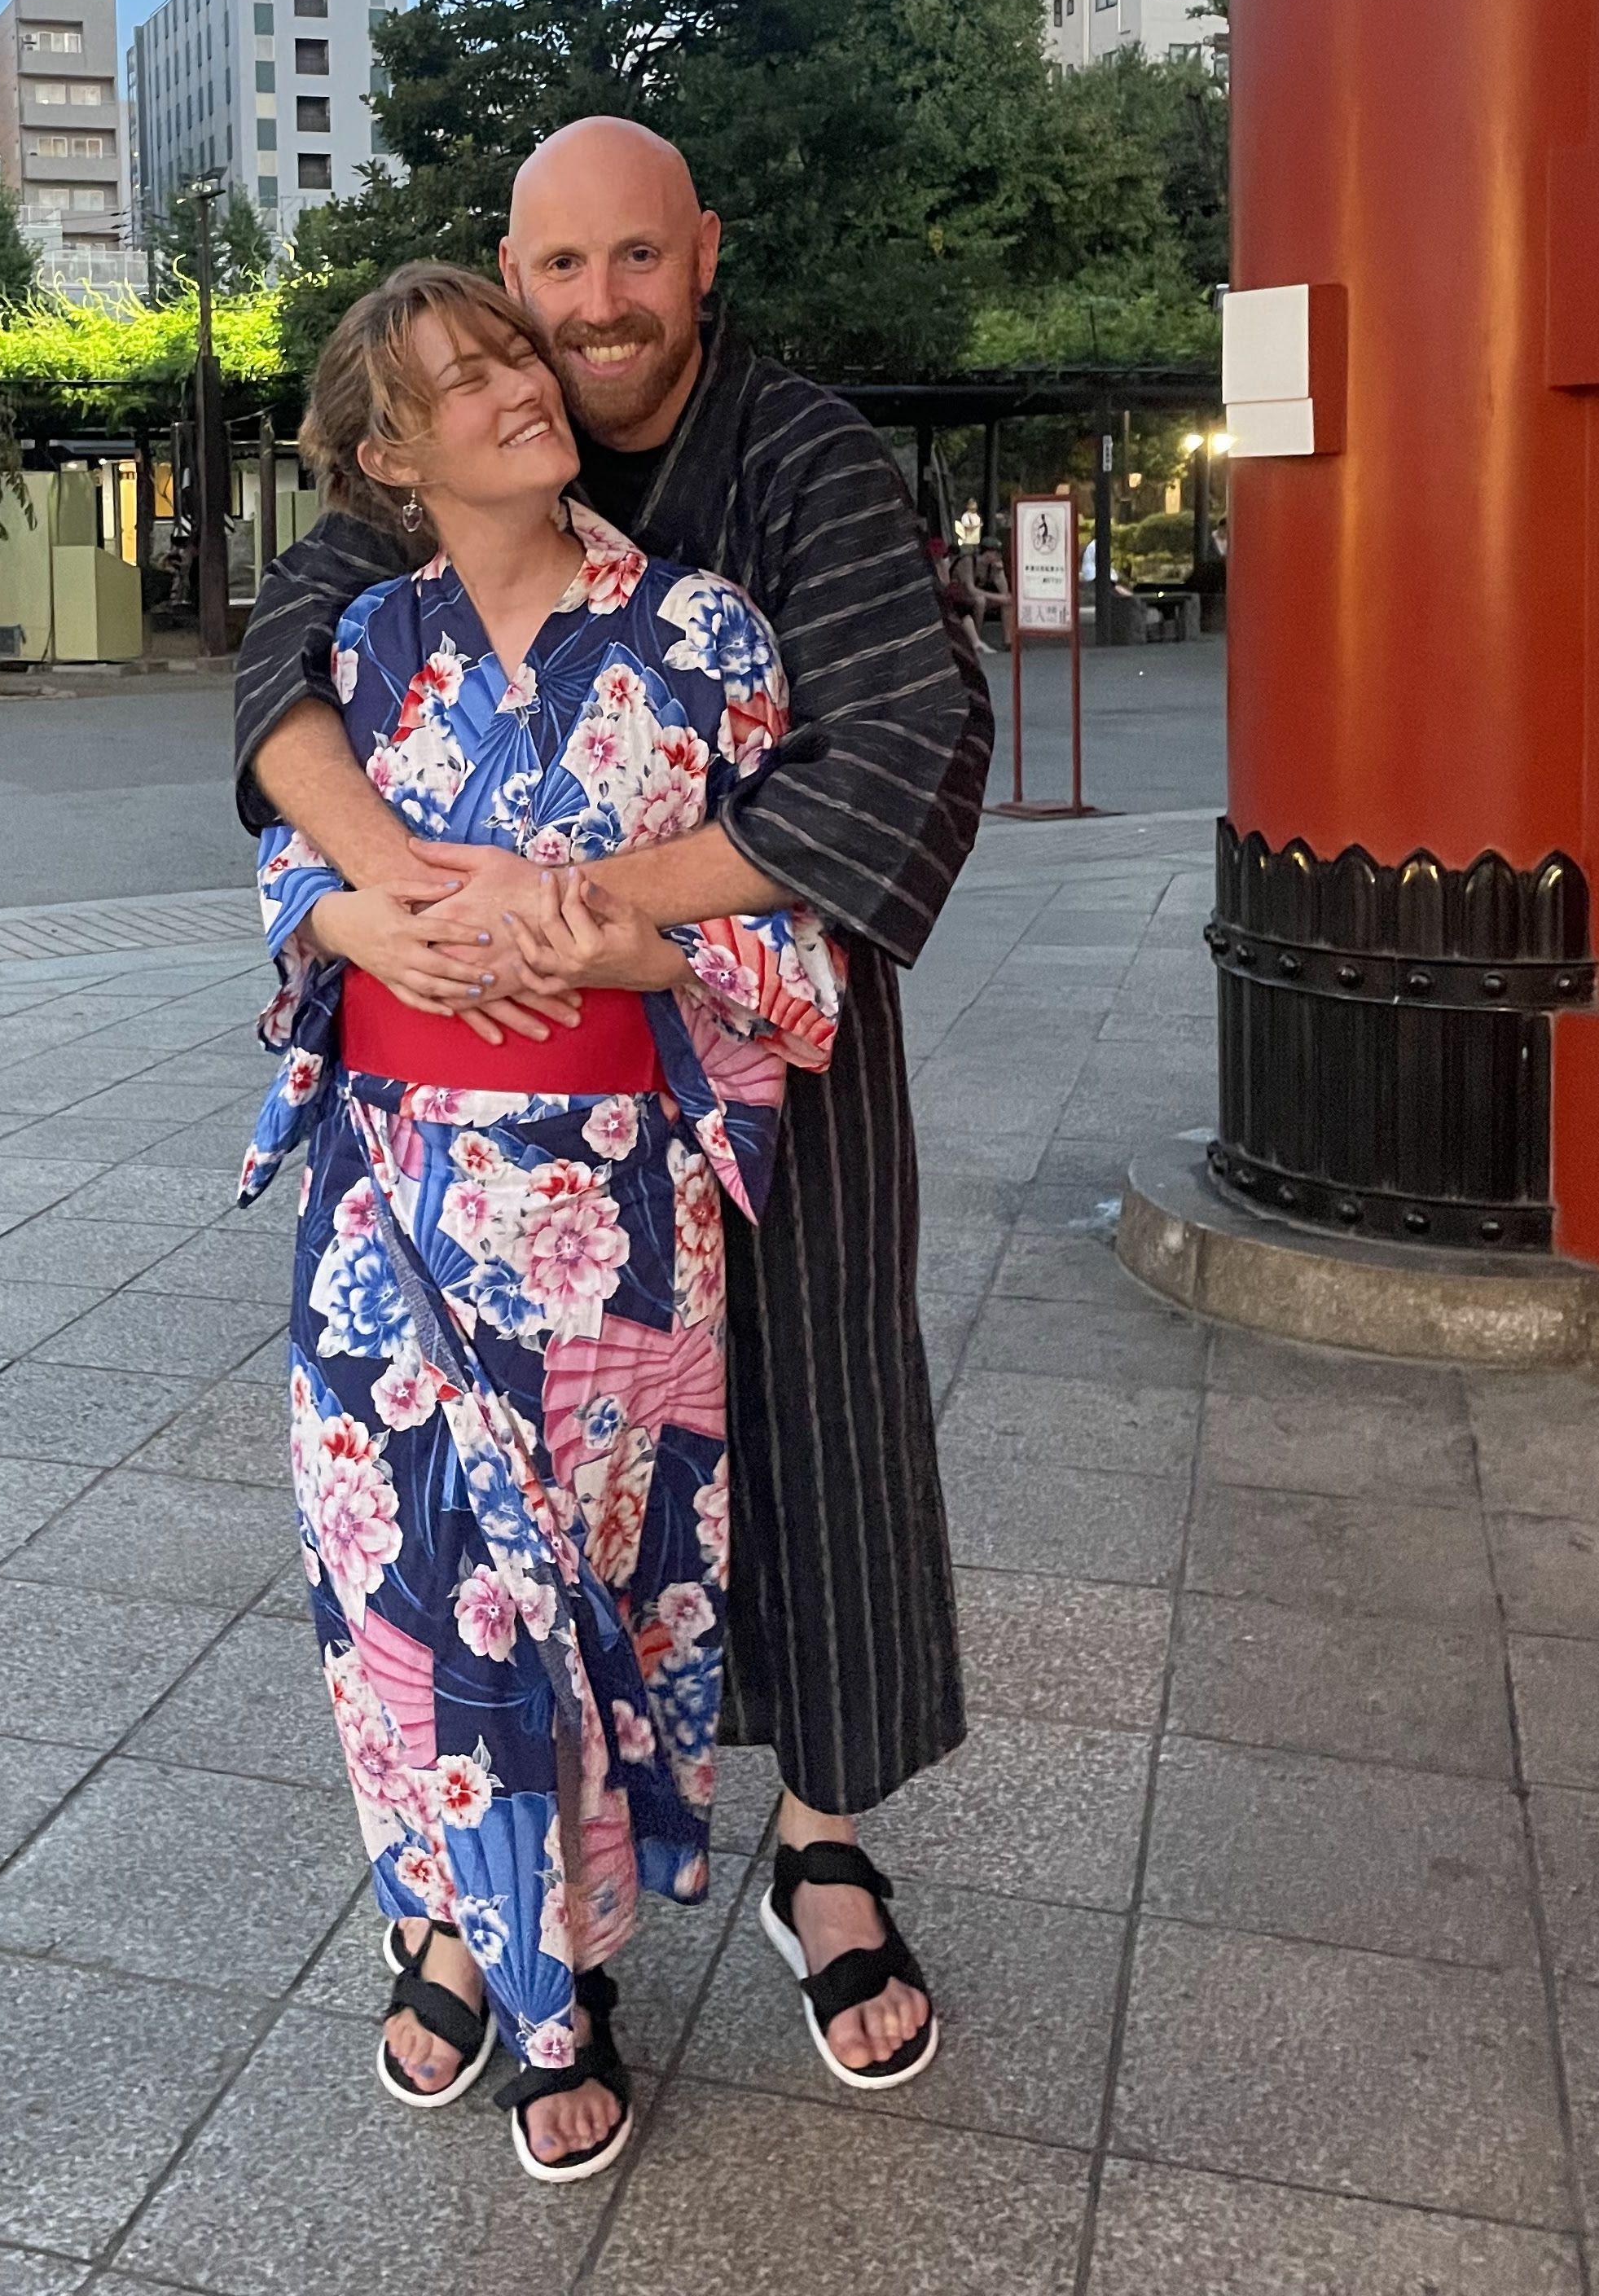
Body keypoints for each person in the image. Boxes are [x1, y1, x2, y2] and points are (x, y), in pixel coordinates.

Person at [239, 118, 995, 2100]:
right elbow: (271, 671)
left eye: (635, 265)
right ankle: (477, 1913)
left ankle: (820, 1854)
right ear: (509, 276)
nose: (590, 319)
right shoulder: (406, 541)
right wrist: (380, 891)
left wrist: (587, 912)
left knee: (811, 1439)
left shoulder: (801, 464)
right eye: (554, 280)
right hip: (434, 1152)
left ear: (703, 255)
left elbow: (912, 734)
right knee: (444, 1542)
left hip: (738, 1064)